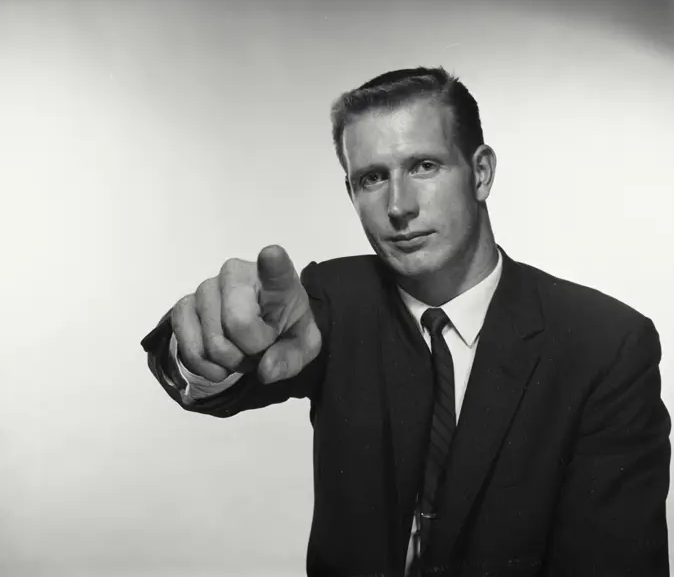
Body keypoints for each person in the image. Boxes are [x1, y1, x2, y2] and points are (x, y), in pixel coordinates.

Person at [141, 67, 671, 577]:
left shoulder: (605, 344)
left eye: (424, 166)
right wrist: (211, 350)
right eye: (372, 178)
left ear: (481, 172)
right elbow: (222, 372)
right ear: (351, 193)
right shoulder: (331, 301)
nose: (399, 206)